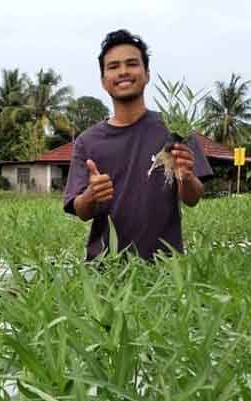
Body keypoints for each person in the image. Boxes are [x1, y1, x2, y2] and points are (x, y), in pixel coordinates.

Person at [63, 29, 213, 261]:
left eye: (132, 64)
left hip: (165, 267)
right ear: (103, 80)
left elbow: (192, 199)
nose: (123, 71)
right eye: (113, 66)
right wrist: (92, 195)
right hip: (106, 267)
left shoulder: (175, 129)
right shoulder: (87, 142)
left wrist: (186, 177)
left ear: (147, 74)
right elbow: (82, 211)